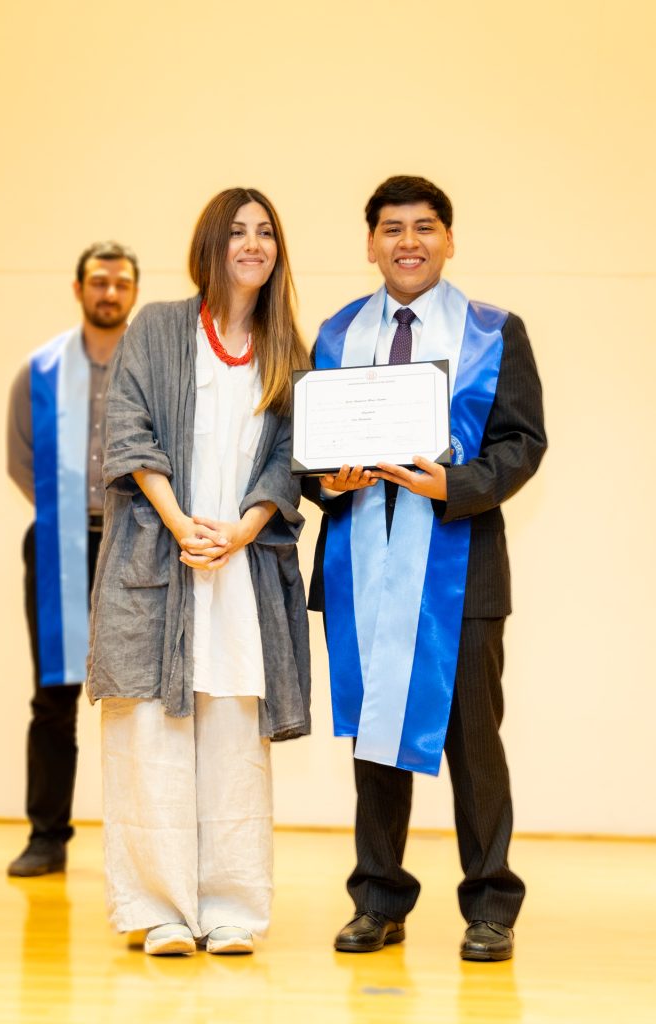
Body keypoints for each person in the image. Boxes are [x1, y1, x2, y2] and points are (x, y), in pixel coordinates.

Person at [305, 175, 547, 961]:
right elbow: (306, 453)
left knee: (473, 744)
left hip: (460, 568)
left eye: (423, 226)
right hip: (359, 564)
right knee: (374, 738)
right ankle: (377, 899)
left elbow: (521, 443)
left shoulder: (492, 332)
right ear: (369, 243)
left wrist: (457, 484)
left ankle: (490, 905)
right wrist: (327, 479)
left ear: (448, 239)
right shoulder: (337, 334)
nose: (406, 241)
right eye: (390, 228)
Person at [87, 188, 311, 957]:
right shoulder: (155, 328)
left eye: (265, 232)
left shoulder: (287, 350)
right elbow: (129, 433)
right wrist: (183, 524)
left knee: (233, 740)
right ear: (210, 245)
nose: (253, 244)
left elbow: (288, 461)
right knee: (147, 736)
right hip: (159, 560)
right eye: (237, 231)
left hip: (241, 572)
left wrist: (242, 530)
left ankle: (230, 909)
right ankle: (157, 910)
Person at [6, 242, 140, 877]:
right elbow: (20, 458)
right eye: (98, 281)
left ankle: (141, 847)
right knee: (54, 694)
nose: (109, 292)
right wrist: (66, 516)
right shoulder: (40, 370)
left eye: (120, 283)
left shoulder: (150, 367)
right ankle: (46, 836)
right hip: (61, 542)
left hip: (135, 545)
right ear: (79, 288)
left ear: (133, 292)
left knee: (140, 697)